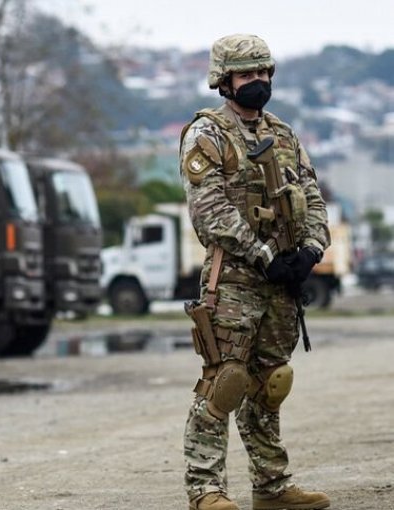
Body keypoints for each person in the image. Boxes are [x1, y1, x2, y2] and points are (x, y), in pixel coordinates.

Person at [179, 34, 331, 510]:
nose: (259, 82)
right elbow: (211, 212)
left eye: (265, 73)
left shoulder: (283, 134)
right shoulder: (207, 135)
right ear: (225, 82)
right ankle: (206, 489)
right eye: (248, 74)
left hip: (281, 285)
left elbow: (311, 196)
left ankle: (271, 486)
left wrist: (310, 250)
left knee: (271, 385)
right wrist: (264, 254)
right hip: (235, 281)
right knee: (224, 382)